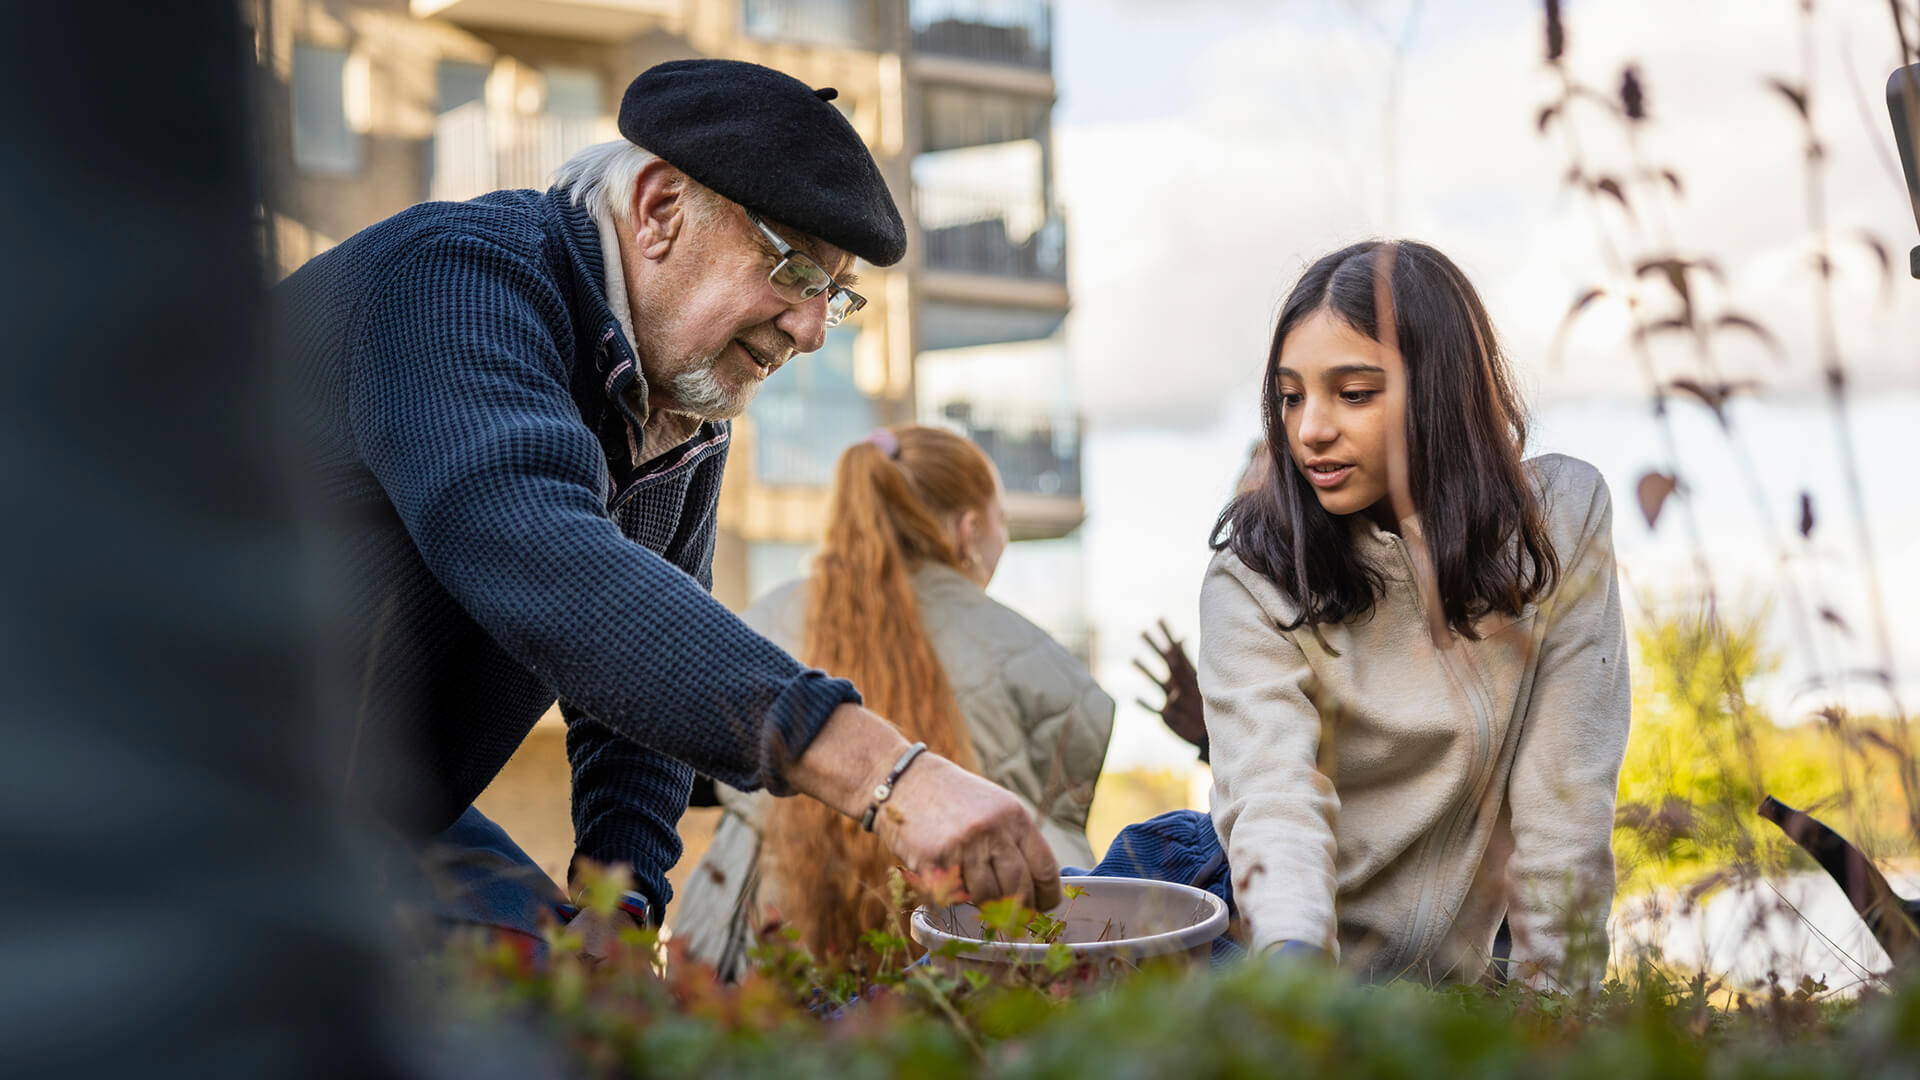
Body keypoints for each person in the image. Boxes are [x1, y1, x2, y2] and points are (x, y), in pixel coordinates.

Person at [277, 59, 1059, 958]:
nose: (810, 331)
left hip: (368, 814)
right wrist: (890, 775)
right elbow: (538, 553)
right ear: (657, 210)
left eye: (834, 298)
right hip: (154, 774)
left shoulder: (680, 419)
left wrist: (621, 919)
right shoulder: (453, 279)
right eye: (796, 268)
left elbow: (631, 707)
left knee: (584, 1004)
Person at [1097, 240, 1630, 989]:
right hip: (1224, 919)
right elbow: (1275, 806)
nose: (1309, 428)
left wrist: (1560, 1014)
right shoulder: (1253, 574)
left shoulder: (1558, 527)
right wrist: (1301, 1001)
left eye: (1353, 392)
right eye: (1290, 396)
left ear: (1440, 392)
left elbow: (1566, 803)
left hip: (1419, 985)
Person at [675, 425, 1113, 975]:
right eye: (1002, 521)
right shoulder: (1042, 663)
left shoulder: (759, 624)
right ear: (970, 531)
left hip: (757, 968)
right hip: (969, 980)